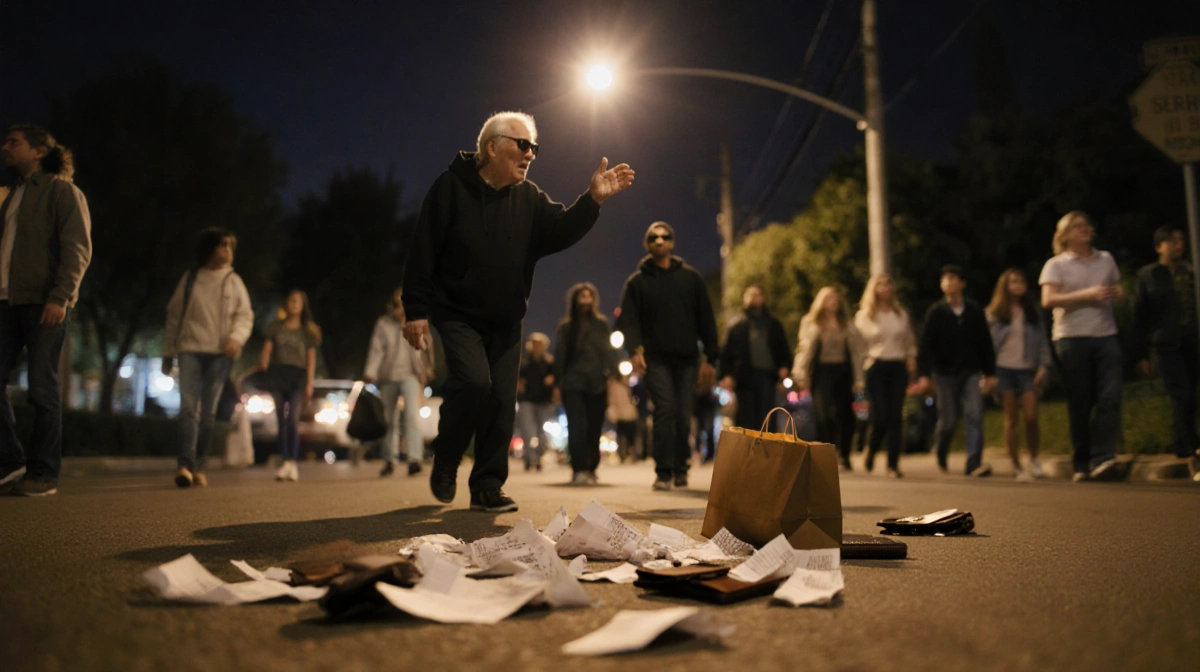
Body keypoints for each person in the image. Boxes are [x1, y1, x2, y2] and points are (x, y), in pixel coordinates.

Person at [402, 111, 634, 512]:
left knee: (499, 401)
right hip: (457, 313)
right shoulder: (450, 189)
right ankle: (447, 457)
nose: (531, 154)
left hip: (506, 321)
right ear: (491, 147)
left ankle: (487, 486)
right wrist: (415, 310)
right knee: (474, 383)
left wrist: (593, 199)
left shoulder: (528, 198)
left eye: (535, 147)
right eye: (522, 145)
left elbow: (560, 229)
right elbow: (423, 250)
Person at [0, 124, 92, 496]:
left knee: (42, 388)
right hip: (5, 302)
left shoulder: (61, 191)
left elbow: (77, 249)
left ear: (38, 151)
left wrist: (61, 296)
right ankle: (10, 462)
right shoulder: (11, 196)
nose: (5, 147)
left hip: (44, 302)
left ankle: (43, 474)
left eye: (13, 142)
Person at [617, 221, 719, 490]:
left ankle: (680, 468)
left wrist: (710, 357)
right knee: (665, 410)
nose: (659, 241)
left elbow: (706, 318)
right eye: (654, 237)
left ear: (672, 243)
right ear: (647, 244)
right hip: (656, 359)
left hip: (687, 360)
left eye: (665, 237)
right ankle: (663, 472)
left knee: (684, 415)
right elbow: (628, 321)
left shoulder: (690, 277)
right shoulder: (637, 282)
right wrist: (634, 351)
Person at [163, 228, 254, 489]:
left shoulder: (233, 280)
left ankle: (200, 464)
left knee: (208, 414)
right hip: (189, 348)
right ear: (209, 248)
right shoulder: (191, 278)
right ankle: (184, 465)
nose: (227, 250)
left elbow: (245, 315)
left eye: (230, 246)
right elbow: (173, 316)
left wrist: (236, 338)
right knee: (188, 409)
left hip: (219, 354)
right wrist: (168, 352)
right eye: (222, 245)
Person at [1039, 211, 1124, 481]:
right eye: (1077, 227)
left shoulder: (1106, 259)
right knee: (1080, 401)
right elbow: (1048, 300)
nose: (1084, 229)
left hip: (1105, 333)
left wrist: (1119, 294)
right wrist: (1087, 294)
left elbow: (1116, 291)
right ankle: (1081, 462)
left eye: (1087, 225)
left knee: (1110, 396)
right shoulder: (1056, 264)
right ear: (1064, 235)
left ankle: (1104, 457)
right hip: (1070, 337)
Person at [916, 265, 998, 477]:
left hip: (970, 372)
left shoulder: (974, 310)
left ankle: (973, 462)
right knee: (948, 420)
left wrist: (990, 373)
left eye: (952, 278)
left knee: (974, 415)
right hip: (944, 374)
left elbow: (985, 344)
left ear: (962, 283)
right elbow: (925, 346)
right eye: (944, 279)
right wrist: (923, 375)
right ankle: (941, 449)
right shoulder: (936, 312)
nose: (948, 283)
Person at [1132, 226, 1198, 462]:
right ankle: (1192, 449)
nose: (1179, 244)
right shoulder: (1148, 275)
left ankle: (1181, 444)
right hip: (1165, 345)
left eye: (1181, 240)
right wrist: (1141, 354)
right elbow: (1139, 315)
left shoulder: (1190, 271)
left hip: (1192, 342)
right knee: (1182, 394)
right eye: (1173, 240)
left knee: (1189, 395)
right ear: (1159, 246)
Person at [986, 269, 1052, 481]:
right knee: (1011, 419)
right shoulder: (994, 313)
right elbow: (986, 345)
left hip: (1026, 369)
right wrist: (987, 373)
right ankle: (1017, 466)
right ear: (1004, 286)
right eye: (1013, 281)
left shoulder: (1032, 311)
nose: (1018, 284)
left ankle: (1034, 458)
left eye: (1021, 280)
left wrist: (1044, 365)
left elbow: (1042, 340)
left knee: (1031, 417)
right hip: (1002, 370)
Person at [793, 287, 866, 471]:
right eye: (829, 298)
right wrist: (800, 374)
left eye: (836, 298)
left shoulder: (846, 324)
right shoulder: (810, 322)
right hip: (822, 372)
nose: (833, 302)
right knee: (824, 414)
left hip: (843, 371)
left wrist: (859, 379)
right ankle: (826, 453)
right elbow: (804, 349)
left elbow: (856, 353)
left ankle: (845, 454)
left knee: (844, 414)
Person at [854, 274, 917, 477]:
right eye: (880, 284)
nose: (885, 287)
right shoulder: (865, 316)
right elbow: (857, 346)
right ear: (873, 288)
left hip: (897, 366)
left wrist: (911, 357)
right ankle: (871, 449)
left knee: (895, 416)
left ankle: (892, 464)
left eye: (888, 283)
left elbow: (909, 340)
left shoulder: (900, 314)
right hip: (875, 367)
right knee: (880, 415)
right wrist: (859, 372)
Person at [554, 282, 617, 485]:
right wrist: (558, 384)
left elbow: (609, 352)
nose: (586, 300)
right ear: (575, 300)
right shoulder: (566, 327)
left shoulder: (601, 324)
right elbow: (560, 357)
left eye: (589, 296)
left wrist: (611, 374)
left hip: (597, 383)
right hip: (573, 383)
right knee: (577, 426)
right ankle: (579, 468)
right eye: (582, 296)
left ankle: (591, 467)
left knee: (594, 427)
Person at [364, 289, 430, 478]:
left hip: (411, 374)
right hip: (388, 376)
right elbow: (376, 349)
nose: (398, 308)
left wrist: (425, 368)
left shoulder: (416, 321)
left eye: (401, 303)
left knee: (411, 416)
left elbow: (426, 346)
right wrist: (370, 372)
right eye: (395, 304)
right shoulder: (383, 323)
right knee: (388, 419)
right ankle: (389, 460)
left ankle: (414, 459)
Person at [258, 290, 321, 482]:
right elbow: (267, 350)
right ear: (286, 304)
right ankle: (284, 460)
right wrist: (263, 363)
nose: (294, 303)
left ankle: (292, 462)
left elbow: (311, 358)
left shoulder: (308, 331)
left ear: (303, 306)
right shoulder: (276, 327)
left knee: (292, 418)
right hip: (278, 376)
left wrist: (309, 383)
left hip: (298, 378)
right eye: (291, 300)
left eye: (298, 301)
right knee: (280, 419)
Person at [718, 284, 791, 431]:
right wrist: (726, 375)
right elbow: (726, 353)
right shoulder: (736, 325)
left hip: (767, 378)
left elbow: (783, 349)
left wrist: (784, 367)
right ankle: (747, 451)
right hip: (744, 378)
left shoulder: (773, 324)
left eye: (757, 294)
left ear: (763, 298)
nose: (754, 298)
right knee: (745, 417)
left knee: (766, 416)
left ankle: (766, 451)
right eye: (750, 294)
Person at [516, 332, 554, 472]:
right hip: (526, 400)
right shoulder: (524, 362)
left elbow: (556, 380)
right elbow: (518, 381)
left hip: (543, 401)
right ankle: (529, 458)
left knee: (542, 433)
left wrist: (552, 381)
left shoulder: (549, 362)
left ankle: (538, 456)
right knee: (527, 430)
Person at [607, 373, 639, 463]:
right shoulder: (614, 385)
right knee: (622, 434)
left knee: (630, 435)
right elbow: (612, 400)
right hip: (621, 414)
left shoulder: (628, 385)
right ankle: (623, 454)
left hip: (630, 414)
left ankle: (630, 454)